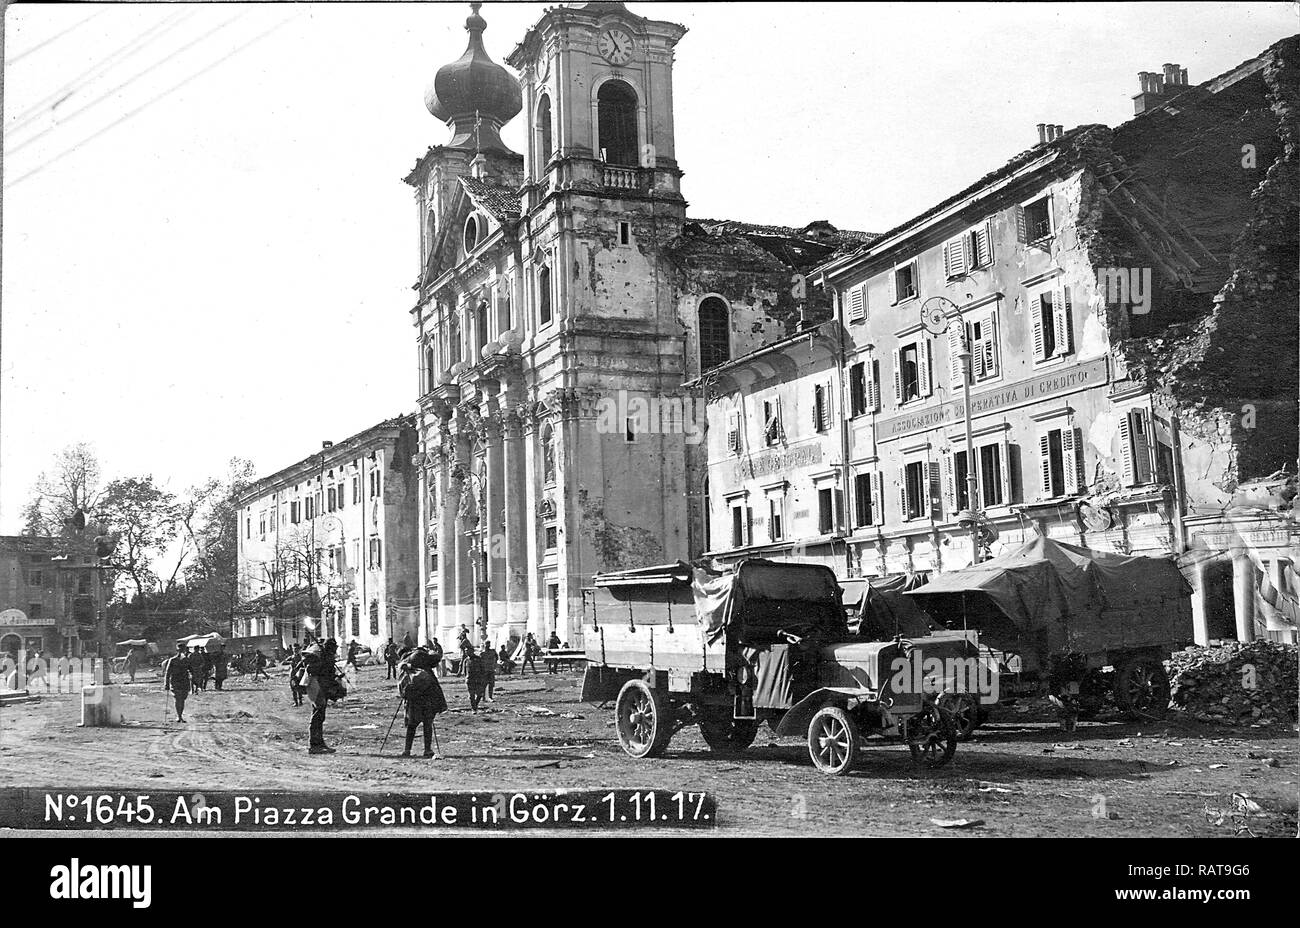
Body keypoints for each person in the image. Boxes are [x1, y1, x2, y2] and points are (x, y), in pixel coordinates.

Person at [397, 647, 447, 758]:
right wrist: (428, 650)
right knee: (428, 723)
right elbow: (437, 657)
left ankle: (407, 750)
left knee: (412, 724)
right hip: (428, 694)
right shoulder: (419, 654)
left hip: (414, 697)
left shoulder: (404, 663)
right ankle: (427, 750)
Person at [303, 638, 344, 754]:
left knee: (320, 715)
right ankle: (314, 745)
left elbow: (329, 674)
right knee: (318, 715)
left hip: (320, 687)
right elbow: (316, 672)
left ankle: (319, 743)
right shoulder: (320, 658)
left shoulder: (325, 657)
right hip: (316, 686)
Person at [163, 644, 192, 723]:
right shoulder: (172, 660)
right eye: (180, 650)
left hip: (185, 682)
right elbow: (167, 672)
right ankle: (179, 716)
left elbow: (191, 670)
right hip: (175, 682)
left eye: (182, 650)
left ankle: (180, 714)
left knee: (183, 699)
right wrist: (167, 684)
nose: (181, 652)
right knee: (177, 698)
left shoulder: (187, 660)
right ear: (177, 651)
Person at [464, 647, 487, 712]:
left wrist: (482, 678)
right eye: (465, 651)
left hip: (477, 679)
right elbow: (465, 671)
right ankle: (473, 708)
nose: (466, 652)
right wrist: (466, 679)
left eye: (467, 651)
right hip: (469, 680)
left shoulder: (478, 659)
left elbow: (483, 669)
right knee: (471, 696)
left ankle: (475, 705)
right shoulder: (466, 660)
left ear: (472, 651)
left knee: (479, 694)